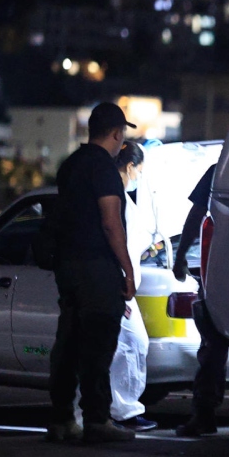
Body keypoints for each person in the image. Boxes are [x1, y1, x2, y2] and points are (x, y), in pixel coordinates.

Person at [46, 103, 138, 443]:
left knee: (68, 342)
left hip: (67, 266)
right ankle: (97, 421)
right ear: (116, 133)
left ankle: (61, 419)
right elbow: (110, 223)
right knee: (98, 345)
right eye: (121, 134)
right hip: (96, 269)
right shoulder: (103, 168)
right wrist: (127, 270)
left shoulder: (71, 165)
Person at [173, 165, 229, 437]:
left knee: (213, 345)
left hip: (220, 269)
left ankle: (204, 415)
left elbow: (196, 215)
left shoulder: (220, 171)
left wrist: (180, 258)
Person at [73, 141, 157, 432]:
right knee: (127, 345)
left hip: (113, 281)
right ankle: (114, 412)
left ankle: (112, 410)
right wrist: (124, 283)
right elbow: (115, 239)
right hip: (118, 284)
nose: (139, 177)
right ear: (130, 167)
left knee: (116, 347)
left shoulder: (118, 198)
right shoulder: (117, 199)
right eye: (139, 171)